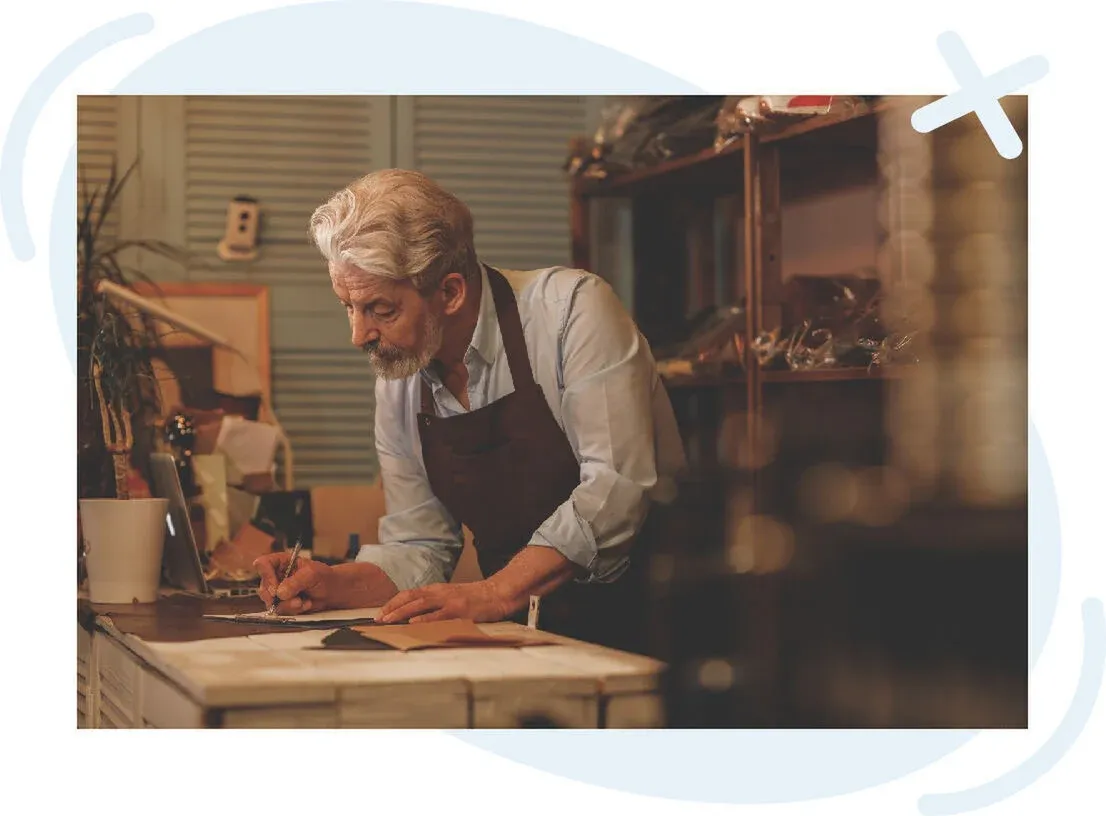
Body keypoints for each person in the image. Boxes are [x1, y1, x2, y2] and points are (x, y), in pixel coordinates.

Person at [254, 168, 686, 653]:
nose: (358, 336)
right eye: (347, 307)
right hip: (524, 631)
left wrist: (496, 591)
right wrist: (331, 584)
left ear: (451, 292)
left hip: (657, 615)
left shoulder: (571, 313)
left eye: (380, 309)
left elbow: (616, 486)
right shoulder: (401, 379)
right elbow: (419, 544)